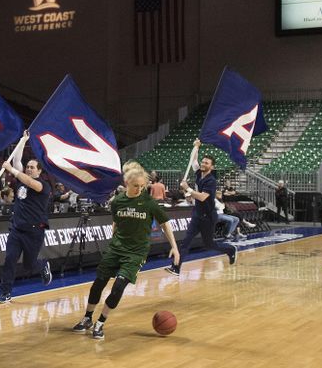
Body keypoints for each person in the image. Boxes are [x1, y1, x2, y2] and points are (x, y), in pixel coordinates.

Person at [73, 161, 180, 340]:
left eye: (142, 186)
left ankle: (100, 323)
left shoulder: (149, 203)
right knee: (98, 283)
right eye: (135, 186)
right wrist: (114, 238)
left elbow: (165, 225)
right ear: (127, 184)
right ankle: (87, 318)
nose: (139, 189)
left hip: (136, 253)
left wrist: (175, 248)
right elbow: (116, 222)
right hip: (116, 249)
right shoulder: (117, 202)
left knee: (118, 287)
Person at [167, 140, 236, 274]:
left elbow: (203, 197)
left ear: (212, 167)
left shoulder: (211, 181)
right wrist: (196, 147)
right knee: (185, 242)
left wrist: (188, 188)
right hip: (197, 214)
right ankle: (176, 267)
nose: (203, 164)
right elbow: (193, 160)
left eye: (207, 163)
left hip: (208, 217)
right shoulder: (199, 173)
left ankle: (230, 250)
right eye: (203, 162)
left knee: (210, 245)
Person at [0, 146, 53, 304]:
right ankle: (5, 292)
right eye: (27, 167)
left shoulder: (43, 185)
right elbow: (16, 161)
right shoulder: (21, 182)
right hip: (16, 229)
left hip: (34, 231)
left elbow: (28, 180)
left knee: (29, 265)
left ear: (39, 171)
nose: (28, 169)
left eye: (32, 168)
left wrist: (11, 170)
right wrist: (23, 142)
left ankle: (42, 266)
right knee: (9, 259)